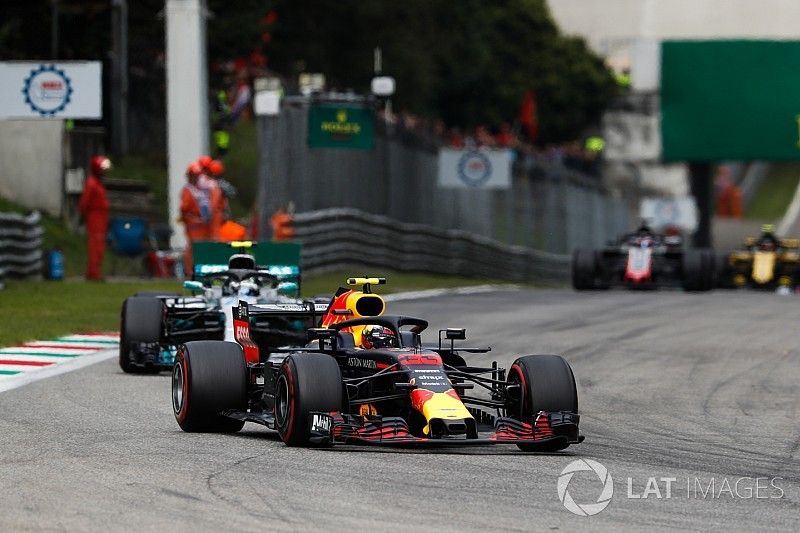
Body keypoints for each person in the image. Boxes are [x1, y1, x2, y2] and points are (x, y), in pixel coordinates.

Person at [79, 155, 112, 281]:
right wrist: (84, 215)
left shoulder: (97, 183)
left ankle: (95, 272)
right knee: (95, 246)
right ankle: (93, 274)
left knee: (100, 246)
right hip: (95, 217)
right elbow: (84, 202)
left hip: (101, 217)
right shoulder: (92, 183)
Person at [179, 162, 211, 275]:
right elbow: (184, 208)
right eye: (194, 175)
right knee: (193, 248)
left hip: (202, 224)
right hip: (194, 224)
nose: (196, 177)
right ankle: (189, 271)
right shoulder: (188, 190)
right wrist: (191, 218)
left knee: (201, 247)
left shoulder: (198, 189)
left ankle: (199, 269)